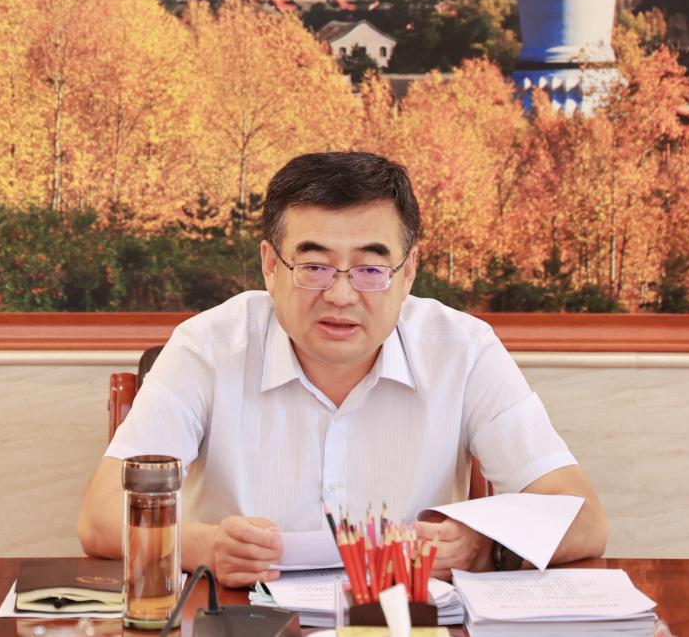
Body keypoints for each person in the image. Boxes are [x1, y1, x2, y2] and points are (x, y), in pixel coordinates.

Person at [78, 151, 607, 587]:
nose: (340, 294)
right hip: (244, 620)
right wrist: (204, 545)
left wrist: (484, 547)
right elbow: (100, 515)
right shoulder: (209, 346)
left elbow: (583, 519)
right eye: (314, 266)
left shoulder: (463, 351)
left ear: (408, 271)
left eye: (371, 269)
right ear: (270, 265)